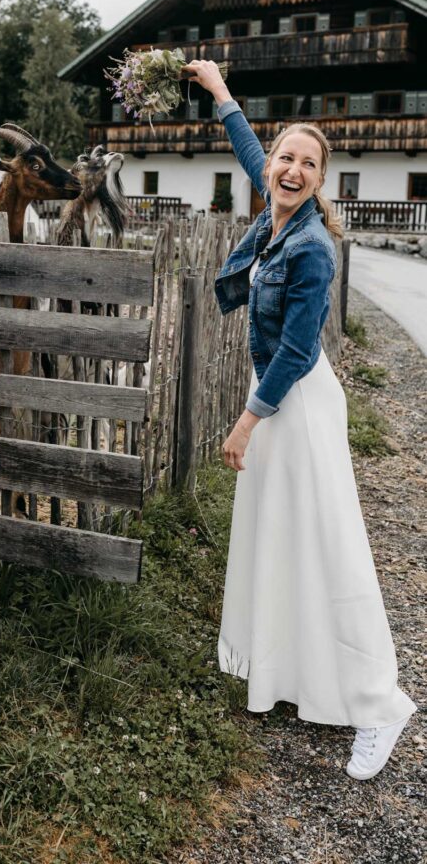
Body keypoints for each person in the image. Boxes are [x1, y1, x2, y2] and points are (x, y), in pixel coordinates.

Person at [185, 59, 417, 781]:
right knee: (280, 534)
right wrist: (219, 90)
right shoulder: (276, 210)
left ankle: (379, 704)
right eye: (286, 157)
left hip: (297, 403)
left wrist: (246, 423)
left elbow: (294, 350)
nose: (290, 170)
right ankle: (287, 670)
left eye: (307, 164)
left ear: (321, 180)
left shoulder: (313, 248)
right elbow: (249, 150)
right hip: (277, 400)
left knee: (328, 543)